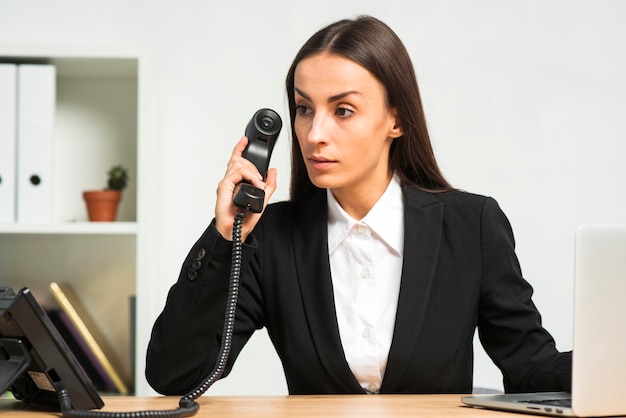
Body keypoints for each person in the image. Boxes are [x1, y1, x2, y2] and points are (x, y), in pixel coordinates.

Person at [145, 15, 571, 395]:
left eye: (343, 110)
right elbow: (173, 376)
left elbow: (530, 368)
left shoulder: (470, 225)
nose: (314, 134)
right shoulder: (270, 236)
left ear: (397, 120)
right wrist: (225, 236)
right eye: (304, 109)